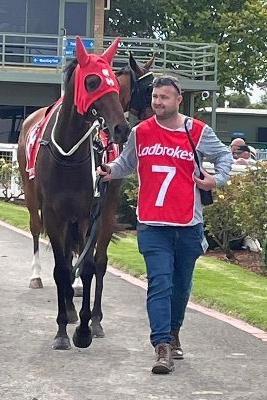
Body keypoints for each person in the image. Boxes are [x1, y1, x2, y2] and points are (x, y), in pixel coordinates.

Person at [97, 75, 233, 374]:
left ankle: (173, 332)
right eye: (155, 97)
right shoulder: (140, 132)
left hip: (188, 223)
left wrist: (216, 179)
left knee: (181, 287)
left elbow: (224, 156)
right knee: (160, 283)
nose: (158, 102)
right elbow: (127, 163)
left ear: (178, 99)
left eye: (165, 97)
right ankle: (161, 346)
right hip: (152, 223)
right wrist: (109, 170)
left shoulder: (196, 130)